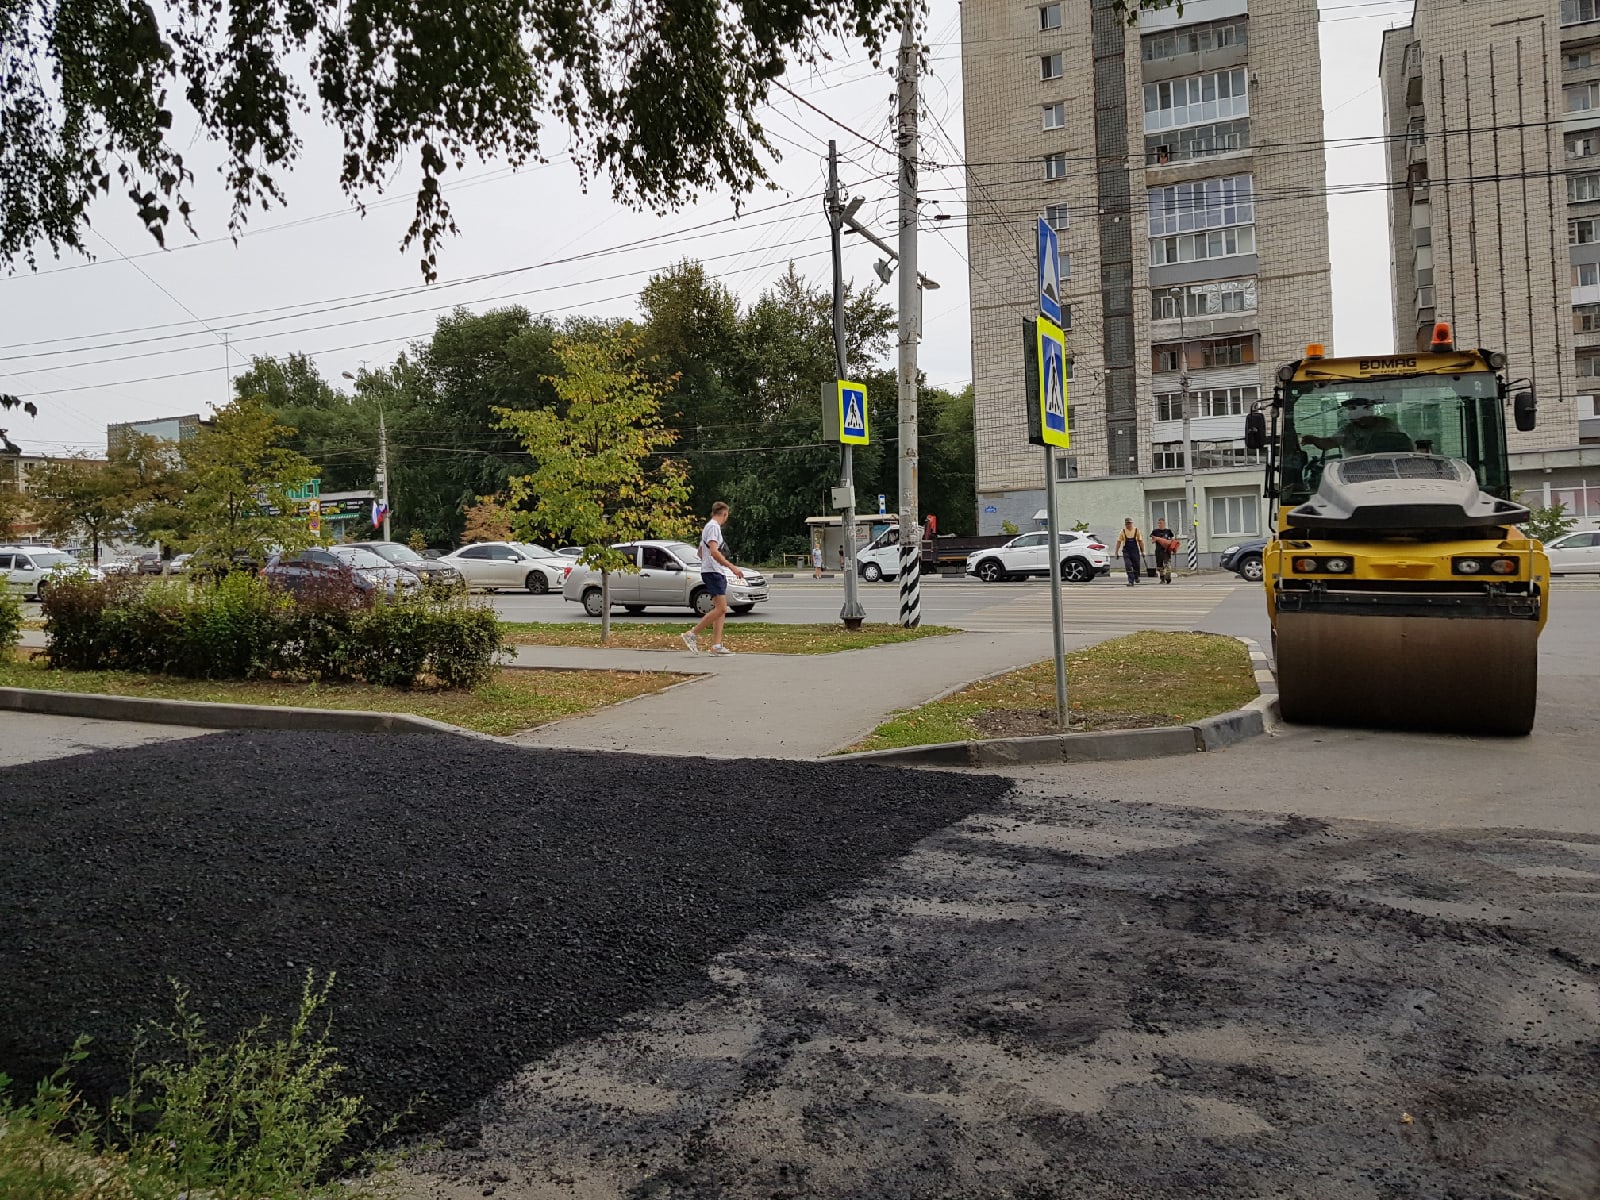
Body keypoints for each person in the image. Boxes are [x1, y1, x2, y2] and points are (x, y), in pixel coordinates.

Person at [681, 501, 743, 656]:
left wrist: (708, 562)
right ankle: (692, 634)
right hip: (714, 572)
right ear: (725, 514)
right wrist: (731, 566)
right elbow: (714, 552)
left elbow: (700, 552)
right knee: (722, 608)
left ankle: (716, 645)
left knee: (720, 610)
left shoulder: (708, 527)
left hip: (711, 571)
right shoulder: (714, 527)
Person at [1302, 398, 1412, 456]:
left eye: (1355, 409)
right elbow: (1330, 443)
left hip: (1390, 467)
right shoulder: (1348, 429)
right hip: (1354, 471)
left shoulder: (1387, 425)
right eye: (1351, 409)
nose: (1352, 414)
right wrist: (1313, 439)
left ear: (1368, 410)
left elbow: (1406, 444)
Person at [1114, 517, 1145, 587]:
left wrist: (1142, 551)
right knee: (1128, 565)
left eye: (1130, 523)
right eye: (1127, 524)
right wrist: (1116, 552)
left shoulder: (1136, 530)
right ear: (1125, 524)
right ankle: (1130, 581)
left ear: (1132, 523)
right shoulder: (1123, 532)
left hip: (1135, 550)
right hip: (1126, 551)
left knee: (1136, 565)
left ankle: (1136, 577)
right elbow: (1118, 542)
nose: (1129, 525)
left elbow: (1140, 541)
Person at [1152, 517, 1180, 584]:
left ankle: (1168, 578)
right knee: (1160, 566)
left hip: (1166, 551)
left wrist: (1172, 547)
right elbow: (1152, 541)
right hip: (1159, 551)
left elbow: (1172, 540)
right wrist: (1158, 539)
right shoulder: (1155, 531)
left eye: (1161, 523)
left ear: (1164, 523)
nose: (1159, 524)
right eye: (1158, 523)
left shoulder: (1168, 531)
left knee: (1167, 565)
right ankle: (1162, 578)